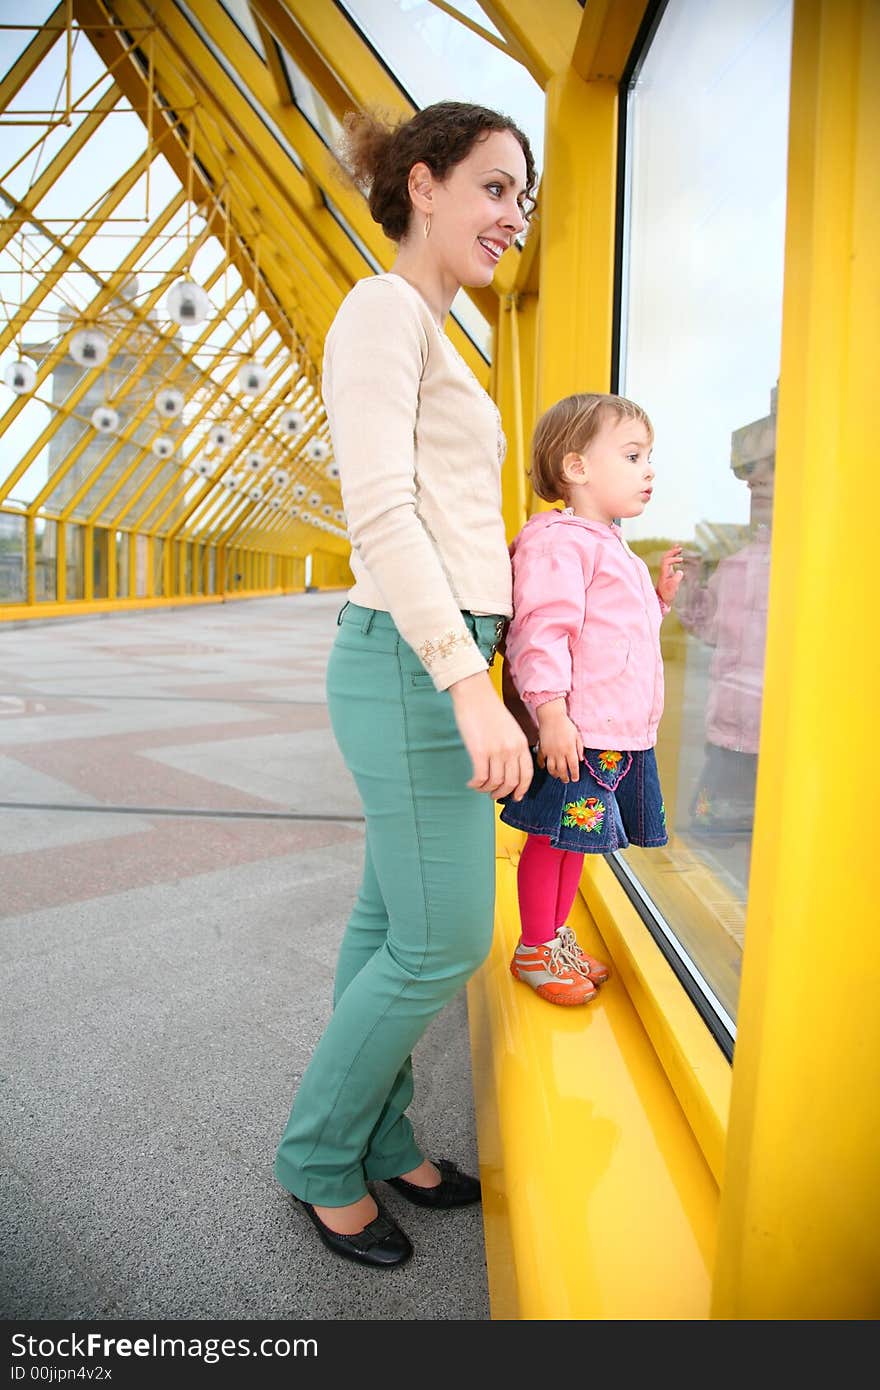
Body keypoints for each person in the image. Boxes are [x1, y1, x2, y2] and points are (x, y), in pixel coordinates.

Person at [273, 102, 537, 1269]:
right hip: (410, 659)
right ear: (422, 186)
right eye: (493, 188)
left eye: (521, 198)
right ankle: (320, 1155)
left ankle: (380, 1136)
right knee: (443, 944)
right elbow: (381, 512)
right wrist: (466, 684)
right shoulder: (384, 312)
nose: (512, 218)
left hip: (426, 654)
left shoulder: (431, 325)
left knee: (390, 922)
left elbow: (454, 517)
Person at [499, 393, 683, 1005]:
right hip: (577, 732)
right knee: (552, 839)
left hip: (608, 734)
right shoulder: (560, 543)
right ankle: (532, 948)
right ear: (576, 468)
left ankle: (552, 937)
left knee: (577, 841)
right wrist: (550, 715)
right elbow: (541, 632)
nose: (649, 469)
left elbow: (616, 639)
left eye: (649, 456)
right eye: (633, 456)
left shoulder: (610, 546)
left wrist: (657, 598)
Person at [676, 390, 776, 844]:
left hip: (783, 739)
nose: (754, 482)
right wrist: (693, 587)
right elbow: (708, 630)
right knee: (713, 838)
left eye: (767, 469)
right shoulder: (736, 565)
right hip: (728, 740)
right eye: (749, 474)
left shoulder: (810, 562)